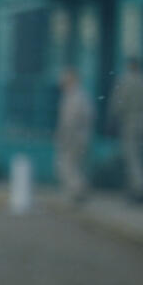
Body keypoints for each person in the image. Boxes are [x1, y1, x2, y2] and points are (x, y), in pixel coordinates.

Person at [110, 57, 143, 202]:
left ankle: (138, 190)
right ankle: (140, 188)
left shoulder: (125, 82)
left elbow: (117, 104)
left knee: (132, 157)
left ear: (129, 66)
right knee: (140, 157)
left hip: (130, 122)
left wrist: (114, 120)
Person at [54, 68, 94, 203]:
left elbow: (69, 121)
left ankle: (78, 191)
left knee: (67, 165)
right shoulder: (82, 96)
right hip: (81, 137)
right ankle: (79, 190)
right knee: (75, 166)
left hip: (72, 138)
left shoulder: (73, 97)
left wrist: (64, 137)